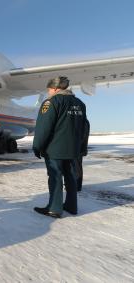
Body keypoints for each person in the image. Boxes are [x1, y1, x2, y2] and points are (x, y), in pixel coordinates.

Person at [33, 76, 88, 218]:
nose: (48, 92)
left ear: (56, 88)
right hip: (73, 150)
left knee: (55, 176)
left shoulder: (51, 102)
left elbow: (44, 127)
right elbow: (84, 128)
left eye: (49, 89)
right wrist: (81, 147)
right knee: (70, 176)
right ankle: (71, 206)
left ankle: (54, 208)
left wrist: (37, 146)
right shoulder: (80, 103)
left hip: (54, 149)